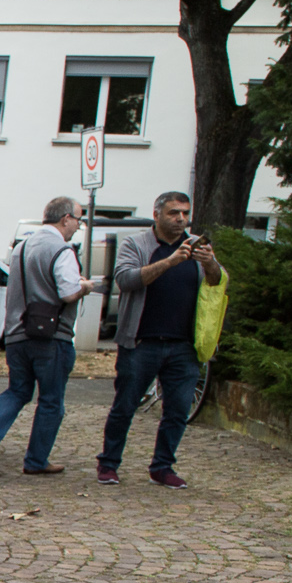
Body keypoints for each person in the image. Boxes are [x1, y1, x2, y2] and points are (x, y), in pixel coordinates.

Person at [97, 190, 224, 489]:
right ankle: (109, 463)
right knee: (125, 406)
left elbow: (217, 281)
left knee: (178, 410)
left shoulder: (196, 245)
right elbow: (125, 279)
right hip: (141, 342)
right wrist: (169, 262)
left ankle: (163, 467)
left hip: (184, 345)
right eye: (173, 213)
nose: (181, 219)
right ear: (156, 215)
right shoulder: (136, 244)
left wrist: (210, 264)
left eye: (185, 213)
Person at [0, 197, 87, 478]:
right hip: (51, 336)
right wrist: (86, 286)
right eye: (78, 220)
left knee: (17, 390)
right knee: (51, 400)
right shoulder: (62, 249)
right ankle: (36, 459)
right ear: (66, 219)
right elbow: (69, 292)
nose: (78, 226)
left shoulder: (22, 247)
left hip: (17, 333)